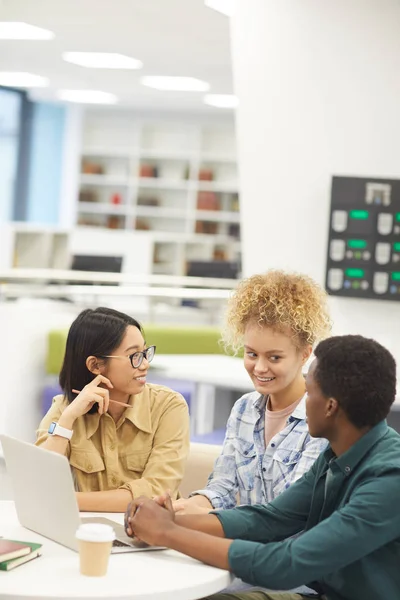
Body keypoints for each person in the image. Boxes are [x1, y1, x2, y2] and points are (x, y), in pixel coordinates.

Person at [125, 334, 400, 600]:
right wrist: (172, 520)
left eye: (310, 390)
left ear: (330, 407)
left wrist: (168, 533)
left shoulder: (389, 479)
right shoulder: (338, 452)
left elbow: (286, 564)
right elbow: (269, 519)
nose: (305, 400)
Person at [173, 270, 331, 516]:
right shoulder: (244, 409)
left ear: (304, 354)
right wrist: (181, 509)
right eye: (251, 354)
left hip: (287, 550)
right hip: (243, 541)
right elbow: (222, 489)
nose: (259, 368)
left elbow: (291, 514)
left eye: (274, 357)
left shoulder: (322, 420)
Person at [36, 307, 190, 513]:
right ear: (95, 365)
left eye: (145, 353)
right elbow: (39, 484)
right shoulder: (66, 408)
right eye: (134, 356)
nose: (145, 364)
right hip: (90, 530)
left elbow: (157, 491)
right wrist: (68, 418)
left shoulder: (168, 406)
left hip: (152, 533)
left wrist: (68, 500)